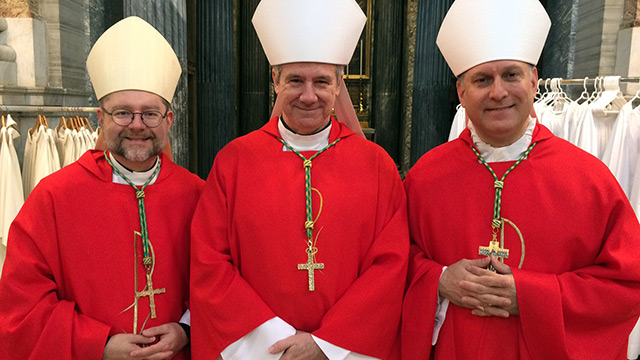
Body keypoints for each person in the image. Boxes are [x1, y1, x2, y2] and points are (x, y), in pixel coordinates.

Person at [401, 0, 640, 359]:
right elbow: (391, 264)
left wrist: (530, 296)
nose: (498, 92)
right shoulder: (424, 178)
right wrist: (438, 280)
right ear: (461, 93)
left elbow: (626, 283)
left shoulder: (588, 179)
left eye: (511, 75)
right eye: (482, 80)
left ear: (533, 81)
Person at [189, 0, 409, 359]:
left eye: (321, 81)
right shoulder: (235, 161)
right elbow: (209, 263)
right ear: (275, 80)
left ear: (339, 85)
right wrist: (274, 342)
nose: (309, 95)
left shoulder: (376, 165)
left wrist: (327, 344)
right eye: (295, 80)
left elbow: (391, 265)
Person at [0, 16, 203, 360]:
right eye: (123, 113)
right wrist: (97, 344)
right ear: (101, 118)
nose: (137, 126)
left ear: (169, 120)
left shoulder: (198, 195)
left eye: (150, 114)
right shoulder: (53, 198)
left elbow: (223, 285)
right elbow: (21, 307)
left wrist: (186, 329)